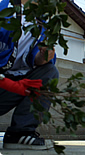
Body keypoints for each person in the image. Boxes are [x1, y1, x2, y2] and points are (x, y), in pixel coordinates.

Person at [0, 0, 59, 150]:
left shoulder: (43, 24)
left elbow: (38, 60)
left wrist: (44, 57)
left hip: (16, 84)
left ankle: (19, 132)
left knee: (49, 71)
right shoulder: (3, 11)